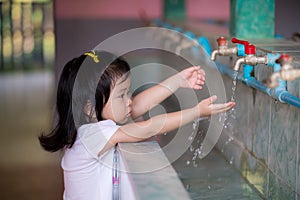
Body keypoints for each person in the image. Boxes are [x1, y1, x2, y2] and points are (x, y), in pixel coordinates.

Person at [39, 50, 235, 200]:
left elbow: (136, 105)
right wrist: (196, 112)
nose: (129, 100)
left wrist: (177, 81)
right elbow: (149, 127)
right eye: (121, 95)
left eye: (128, 92)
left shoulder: (90, 128)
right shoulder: (93, 135)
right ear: (90, 108)